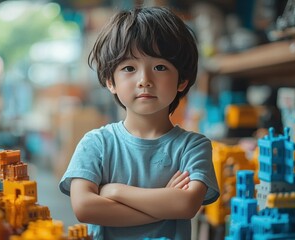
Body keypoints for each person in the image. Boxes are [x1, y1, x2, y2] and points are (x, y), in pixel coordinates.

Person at [59, 6, 219, 240]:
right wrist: (164, 203)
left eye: (160, 67)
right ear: (110, 81)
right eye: (129, 68)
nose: (145, 80)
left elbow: (185, 205)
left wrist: (114, 191)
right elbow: (84, 207)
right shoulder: (96, 143)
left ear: (182, 80)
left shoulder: (193, 146)